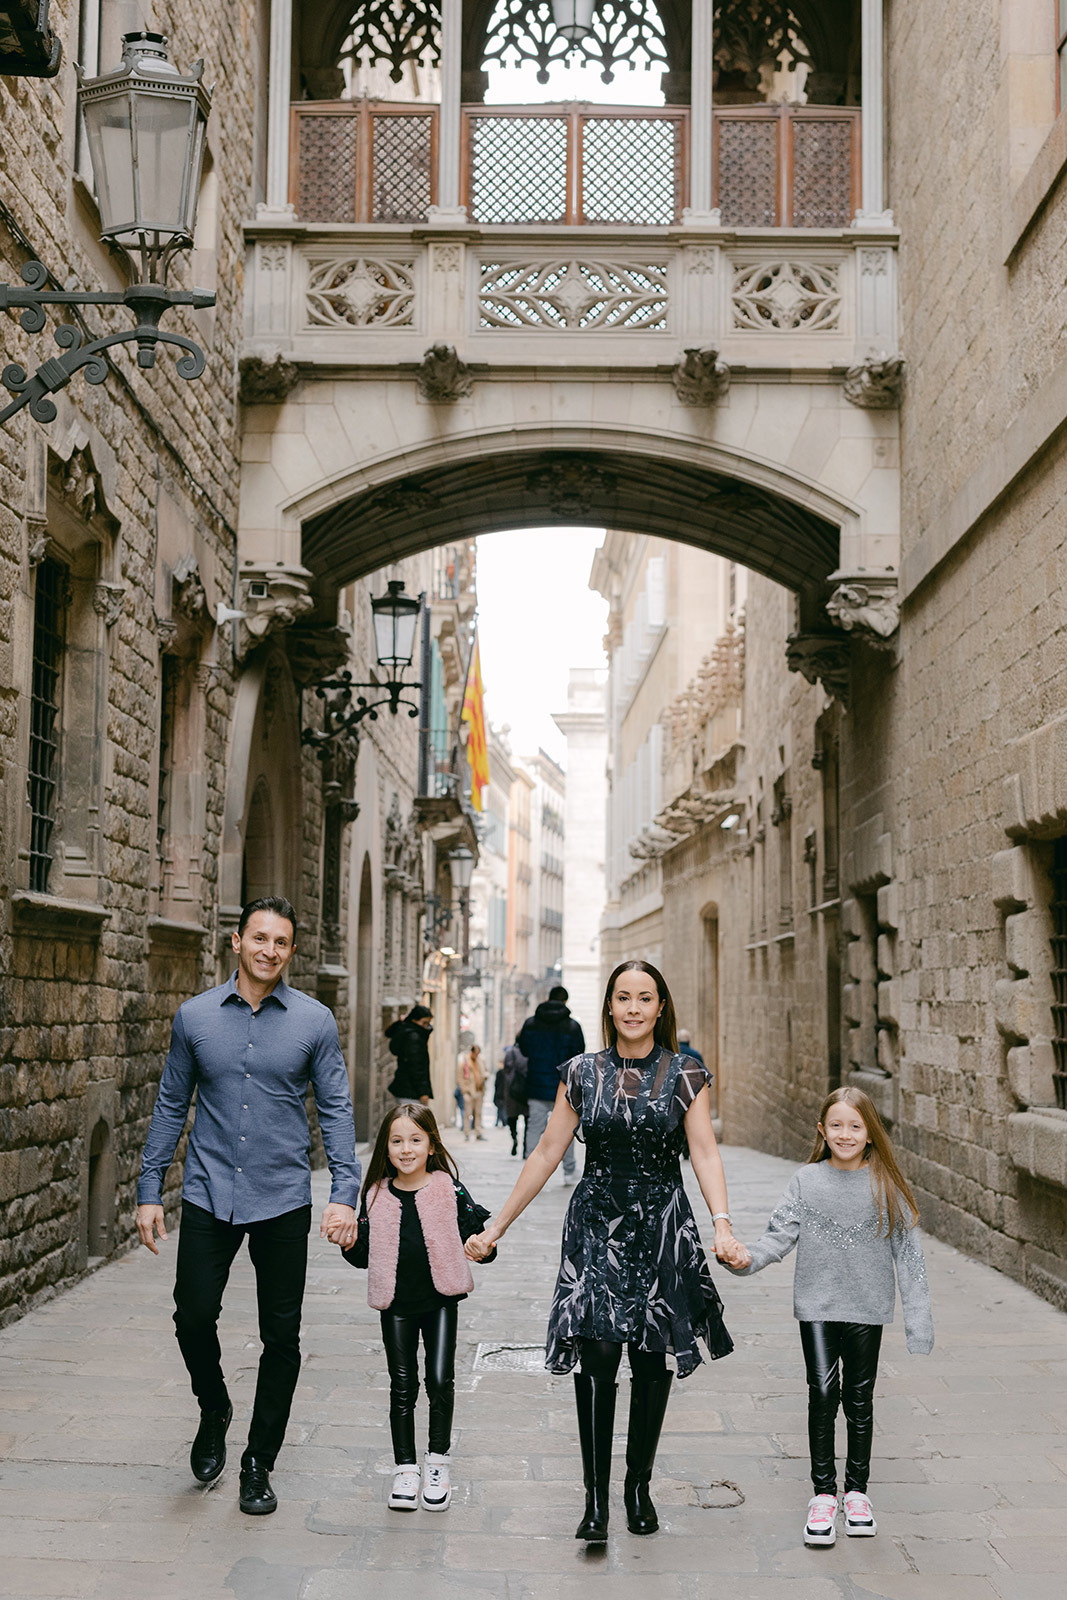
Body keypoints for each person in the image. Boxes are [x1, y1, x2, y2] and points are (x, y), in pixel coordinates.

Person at [466, 960, 744, 1543]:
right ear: (610, 1006)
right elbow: (545, 1152)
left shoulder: (684, 1072)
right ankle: (594, 1502)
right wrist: (496, 1227)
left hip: (662, 1223)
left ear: (660, 1007)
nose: (635, 1007)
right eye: (624, 997)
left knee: (649, 1357)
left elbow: (705, 1153)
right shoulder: (583, 1072)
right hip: (596, 1225)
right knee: (596, 1356)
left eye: (646, 997)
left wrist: (721, 1224)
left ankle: (637, 1489)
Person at [136, 896, 360, 1517]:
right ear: (236, 941)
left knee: (280, 1337)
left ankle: (258, 1462)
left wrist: (345, 1191)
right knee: (191, 1314)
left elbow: (337, 1109)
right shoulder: (195, 1017)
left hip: (283, 1196)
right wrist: (149, 1189)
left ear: (291, 951)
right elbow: (170, 1103)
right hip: (209, 1190)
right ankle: (214, 1407)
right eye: (258, 938)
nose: (269, 950)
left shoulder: (314, 1022)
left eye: (281, 942)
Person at [724, 1086, 934, 1548]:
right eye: (836, 1125)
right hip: (817, 1305)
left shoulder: (886, 1186)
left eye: (855, 1126)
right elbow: (779, 1236)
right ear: (822, 1130)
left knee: (859, 1399)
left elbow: (910, 1258)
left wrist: (919, 1321)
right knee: (822, 1392)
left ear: (870, 1133)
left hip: (867, 1307)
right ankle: (823, 1494)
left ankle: (856, 1494)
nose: (845, 1134)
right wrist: (746, 1258)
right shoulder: (806, 1181)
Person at [342, 1103, 496, 1512]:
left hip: (441, 1300)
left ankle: (437, 1464)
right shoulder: (375, 1193)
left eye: (415, 1140)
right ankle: (406, 1469)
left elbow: (477, 1236)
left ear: (430, 1145)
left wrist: (483, 1248)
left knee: (441, 1379)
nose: (406, 1149)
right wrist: (347, 1240)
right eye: (397, 1141)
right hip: (395, 1304)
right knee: (402, 1384)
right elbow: (363, 1256)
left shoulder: (449, 1188)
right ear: (385, 1147)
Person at [517, 984, 585, 1184]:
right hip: (562, 1087)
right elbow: (579, 1055)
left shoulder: (531, 1023)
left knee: (534, 1127)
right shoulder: (572, 1026)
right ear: (565, 1001)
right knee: (566, 1129)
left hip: (536, 1084)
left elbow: (524, 1049)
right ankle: (569, 1171)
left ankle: (529, 1172)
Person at [385, 1005, 434, 1106]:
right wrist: (423, 1092)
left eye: (428, 1023)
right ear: (414, 1020)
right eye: (424, 1023)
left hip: (405, 1089)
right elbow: (417, 1067)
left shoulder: (407, 1032)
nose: (426, 1027)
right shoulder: (414, 1038)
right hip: (411, 1092)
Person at [502, 1040, 528, 1157]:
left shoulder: (510, 1053)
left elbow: (505, 1072)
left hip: (512, 1092)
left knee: (512, 1119)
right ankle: (526, 1146)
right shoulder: (530, 1053)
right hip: (526, 1093)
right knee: (528, 1122)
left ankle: (514, 1138)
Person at [457, 1043, 486, 1140]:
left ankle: (478, 1132)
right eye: (475, 1053)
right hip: (468, 1092)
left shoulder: (481, 1061)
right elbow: (460, 1077)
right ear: (472, 1052)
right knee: (467, 1113)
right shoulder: (465, 1062)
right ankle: (467, 1132)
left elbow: (485, 1071)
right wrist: (464, 1090)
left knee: (478, 1113)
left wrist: (485, 1076)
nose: (476, 1056)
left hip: (479, 1090)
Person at [493, 1062, 508, 1127]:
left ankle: (502, 1121)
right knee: (500, 1108)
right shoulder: (500, 1073)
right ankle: (501, 1121)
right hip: (500, 1093)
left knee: (502, 1108)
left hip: (502, 1093)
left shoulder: (503, 1073)